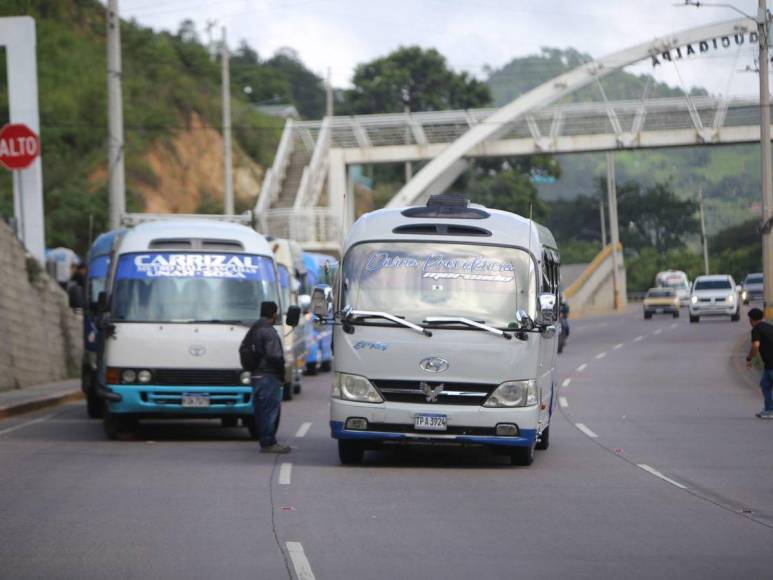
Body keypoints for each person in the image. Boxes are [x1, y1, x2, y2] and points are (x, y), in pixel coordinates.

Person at [242, 301, 291, 453]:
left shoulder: (253, 329)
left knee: (261, 410)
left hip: (255, 375)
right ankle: (268, 442)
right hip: (269, 376)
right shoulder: (268, 331)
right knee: (270, 410)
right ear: (274, 314)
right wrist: (282, 373)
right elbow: (274, 355)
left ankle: (265, 440)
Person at [746, 307, 773, 418]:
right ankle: (768, 408)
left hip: (771, 363)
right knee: (765, 384)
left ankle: (770, 410)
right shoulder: (769, 327)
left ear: (751, 320)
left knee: (766, 385)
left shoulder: (756, 330)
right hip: (769, 364)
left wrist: (749, 358)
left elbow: (756, 345)